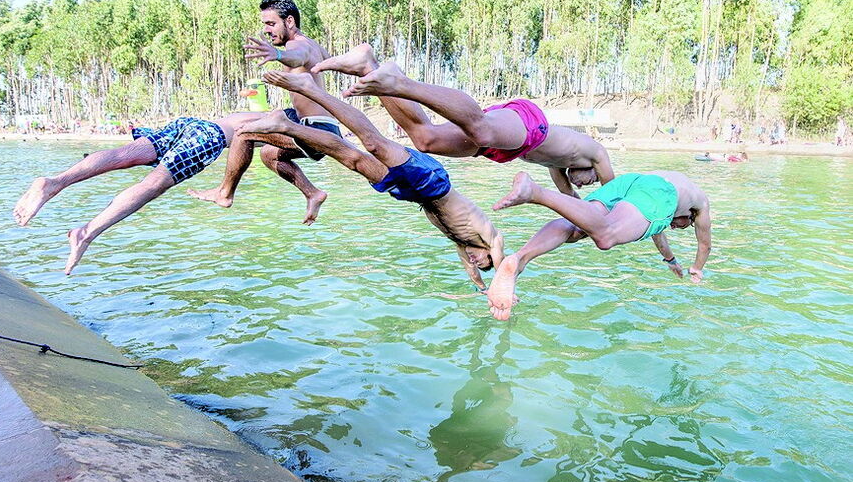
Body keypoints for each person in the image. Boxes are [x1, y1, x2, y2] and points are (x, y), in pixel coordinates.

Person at [237, 70, 505, 289]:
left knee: (352, 159)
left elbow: (473, 275)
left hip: (412, 195)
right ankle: (311, 89)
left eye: (477, 263)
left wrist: (483, 290)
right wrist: (501, 286)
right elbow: (502, 260)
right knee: (373, 143)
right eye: (482, 260)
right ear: (488, 253)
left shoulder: (461, 244)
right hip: (433, 182)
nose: (474, 260)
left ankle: (286, 125)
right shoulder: (488, 235)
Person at [311, 44, 614, 197]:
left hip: (506, 147)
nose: (584, 185)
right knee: (480, 130)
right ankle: (401, 83)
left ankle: (368, 65)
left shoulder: (560, 166)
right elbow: (615, 196)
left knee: (425, 139)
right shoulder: (595, 151)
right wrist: (661, 237)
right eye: (591, 182)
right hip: (531, 125)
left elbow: (573, 201)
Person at [14, 116, 245, 274]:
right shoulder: (280, 118)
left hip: (193, 123)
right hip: (211, 137)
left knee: (124, 155)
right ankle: (85, 234)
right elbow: (253, 140)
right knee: (154, 184)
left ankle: (54, 182)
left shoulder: (263, 110)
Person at [187, 0, 341, 225]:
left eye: (271, 24)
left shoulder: (296, 44)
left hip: (314, 129)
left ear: (289, 21)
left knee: (245, 132)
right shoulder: (312, 44)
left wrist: (277, 54)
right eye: (264, 24)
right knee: (268, 154)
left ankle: (225, 193)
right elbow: (330, 61)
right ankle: (313, 193)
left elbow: (296, 56)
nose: (267, 30)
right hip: (317, 124)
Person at [483, 170, 712, 320]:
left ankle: (518, 259)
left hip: (632, 182)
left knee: (575, 228)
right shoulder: (699, 203)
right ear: (690, 217)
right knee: (606, 236)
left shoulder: (676, 188)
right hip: (660, 192)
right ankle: (535, 192)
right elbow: (704, 245)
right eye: (683, 226)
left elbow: (656, 232)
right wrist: (697, 268)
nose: (674, 227)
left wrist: (670, 260)